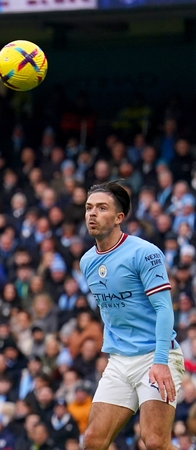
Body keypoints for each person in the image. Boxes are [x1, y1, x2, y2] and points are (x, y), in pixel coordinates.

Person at [80, 180, 185, 450]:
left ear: (119, 218)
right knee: (92, 440)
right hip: (119, 361)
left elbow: (164, 308)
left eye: (101, 208)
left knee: (154, 442)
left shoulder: (144, 253)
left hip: (155, 355)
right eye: (89, 207)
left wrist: (161, 361)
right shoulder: (87, 261)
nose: (92, 213)